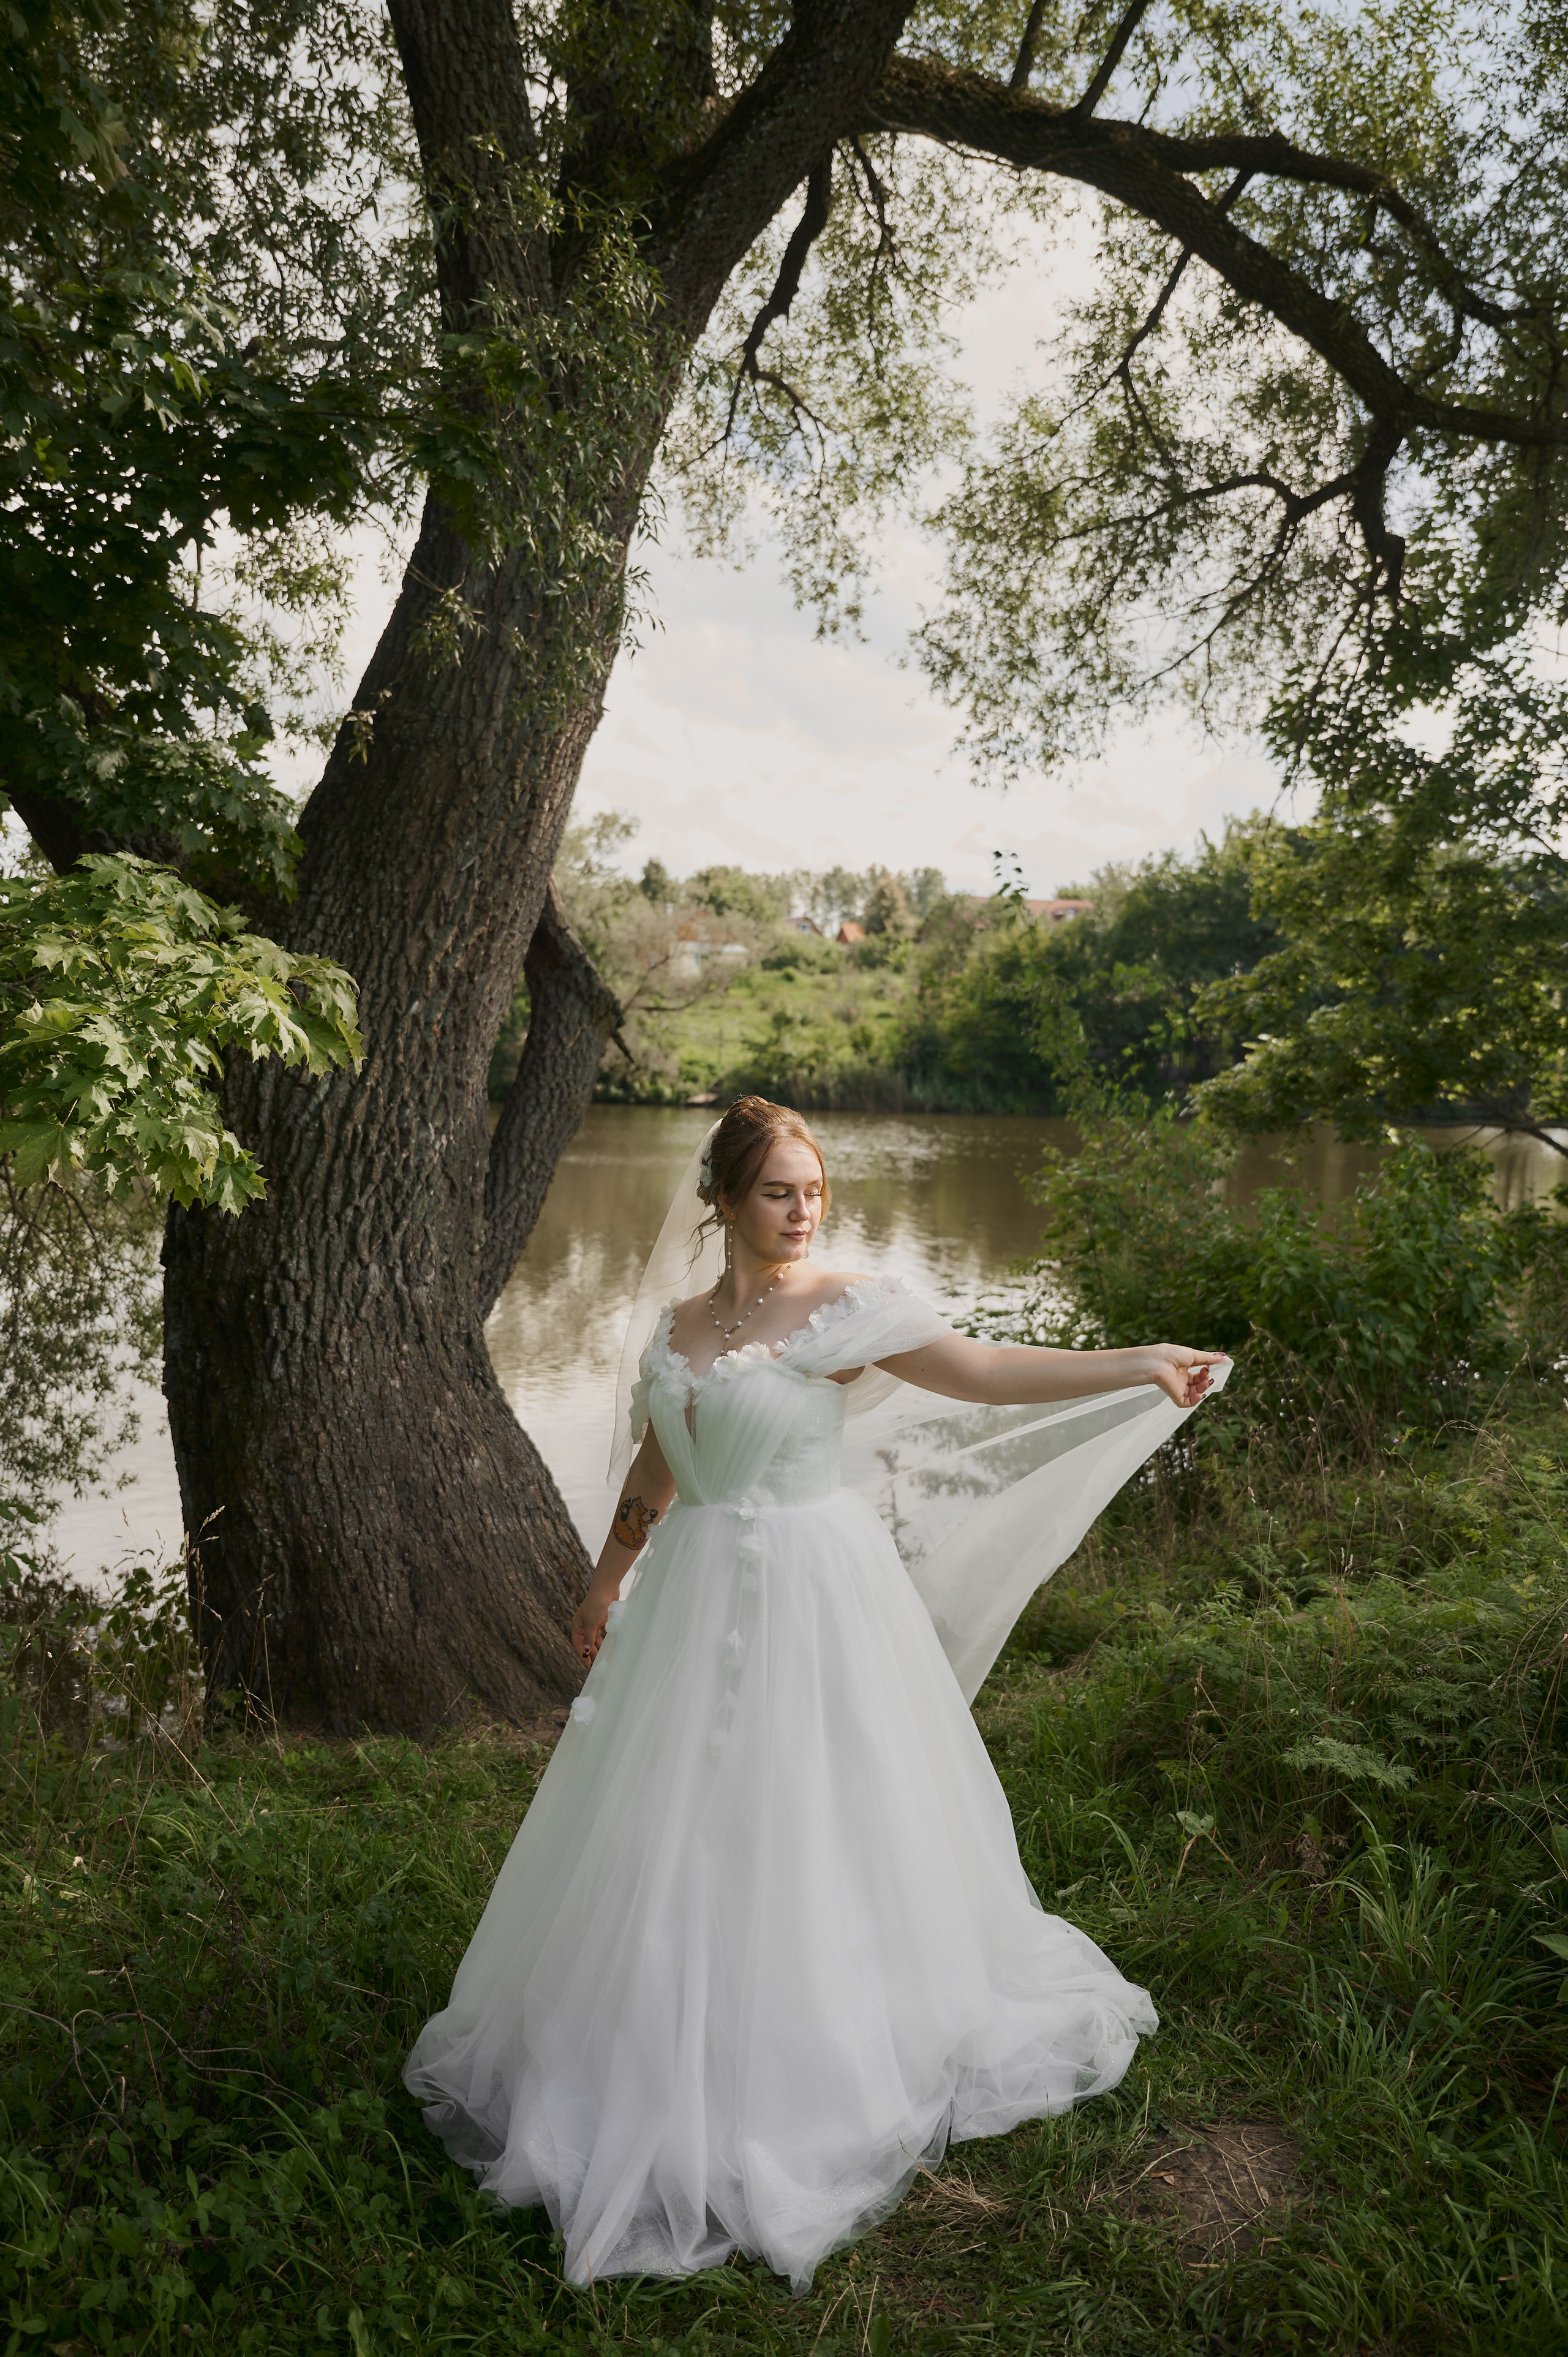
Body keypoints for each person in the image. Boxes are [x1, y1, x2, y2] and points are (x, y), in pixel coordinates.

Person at [405, 1097, 1227, 2292]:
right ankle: (639, 2043)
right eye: (780, 1190)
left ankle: (813, 2050)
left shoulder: (844, 1309)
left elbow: (984, 1370)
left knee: (809, 1814)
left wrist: (1136, 1360)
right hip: (688, 1597)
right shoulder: (681, 1323)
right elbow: (655, 1463)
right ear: (723, 1201)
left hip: (810, 1589)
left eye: (813, 1188)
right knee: (669, 1824)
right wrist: (604, 1579)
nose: (804, 1209)